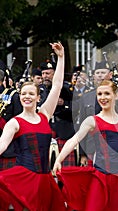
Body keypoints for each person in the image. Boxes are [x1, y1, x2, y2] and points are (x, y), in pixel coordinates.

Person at [52, 46, 118, 211]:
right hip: (100, 177)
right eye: (100, 94)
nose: (103, 98)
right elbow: (74, 140)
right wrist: (59, 159)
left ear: (115, 95)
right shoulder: (92, 120)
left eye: (107, 94)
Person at [0, 42, 66, 210]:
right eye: (23, 94)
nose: (26, 97)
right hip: (25, 179)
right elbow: (1, 146)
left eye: (31, 94)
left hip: (45, 179)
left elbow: (57, 85)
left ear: (38, 97)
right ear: (20, 97)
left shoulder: (44, 114)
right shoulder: (15, 122)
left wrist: (61, 57)